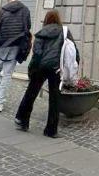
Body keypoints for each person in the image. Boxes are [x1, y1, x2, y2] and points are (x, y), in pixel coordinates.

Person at [15, 10, 76, 138]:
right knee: (54, 98)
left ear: (46, 20)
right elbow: (73, 50)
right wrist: (74, 66)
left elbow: (36, 54)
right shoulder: (64, 32)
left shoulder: (41, 33)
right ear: (58, 19)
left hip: (40, 67)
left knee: (31, 93)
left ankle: (22, 120)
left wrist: (31, 70)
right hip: (56, 68)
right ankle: (51, 130)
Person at [0, 0, 32, 112]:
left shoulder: (3, 10)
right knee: (7, 74)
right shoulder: (25, 10)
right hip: (16, 45)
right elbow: (28, 27)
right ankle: (0, 104)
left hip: (2, 44)